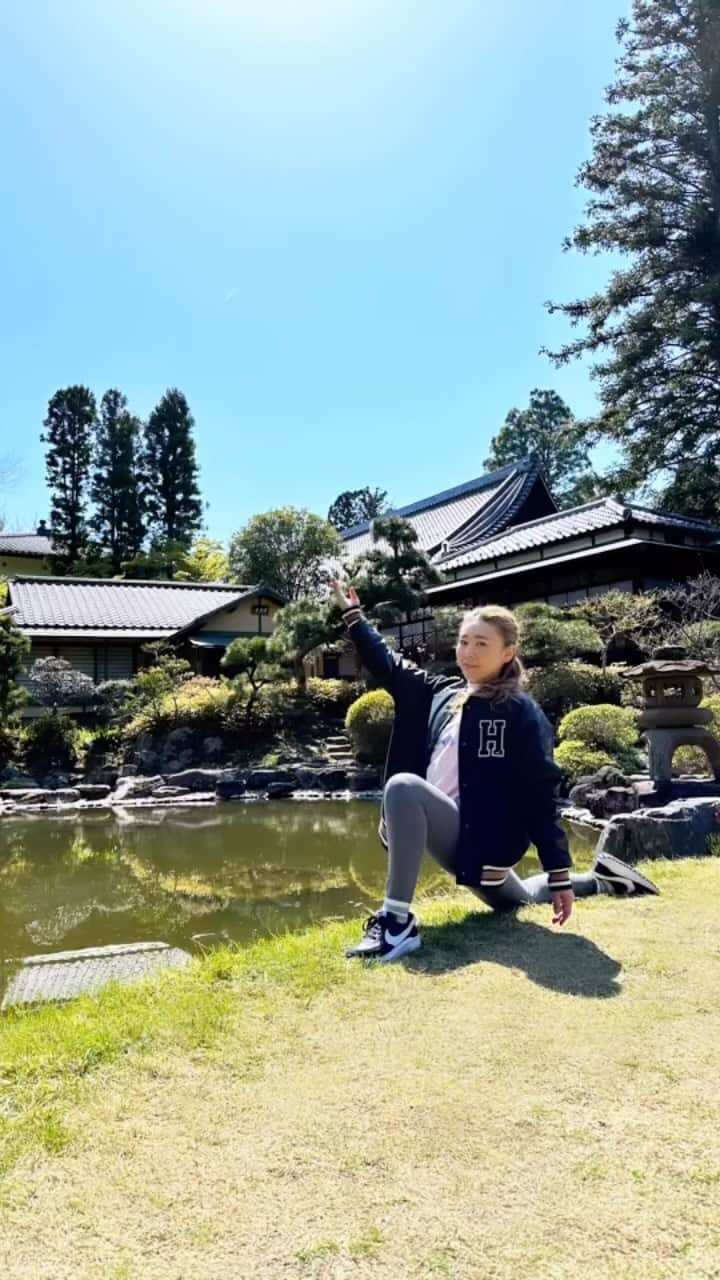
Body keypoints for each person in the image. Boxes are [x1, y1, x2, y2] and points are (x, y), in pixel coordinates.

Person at [330, 578, 659, 962]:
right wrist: (353, 614)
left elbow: (539, 794)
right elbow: (387, 663)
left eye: (481, 644)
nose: (468, 652)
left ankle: (396, 922)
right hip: (453, 831)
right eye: (463, 642)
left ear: (508, 653)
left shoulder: (519, 711)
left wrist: (557, 871)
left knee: (403, 787)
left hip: (486, 843)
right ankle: (602, 878)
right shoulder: (441, 692)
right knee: (518, 900)